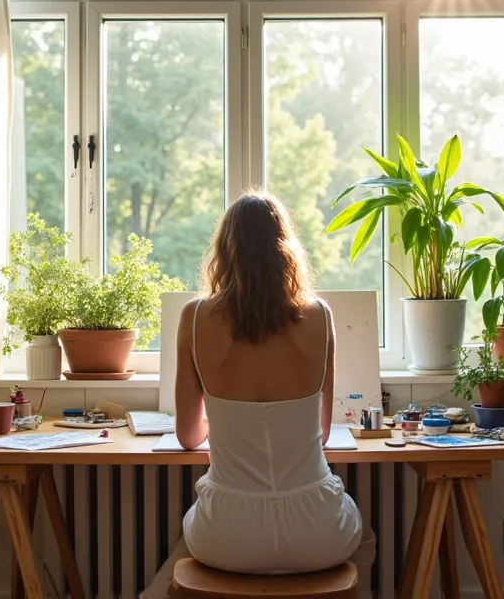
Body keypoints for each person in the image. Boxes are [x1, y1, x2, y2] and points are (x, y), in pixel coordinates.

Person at [143, 191, 375, 598]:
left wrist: (228, 420)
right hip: (317, 530)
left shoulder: (195, 316)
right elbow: (320, 433)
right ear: (284, 251)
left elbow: (186, 437)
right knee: (365, 539)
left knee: (196, 548)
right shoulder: (320, 316)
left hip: (227, 533)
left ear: (224, 252)